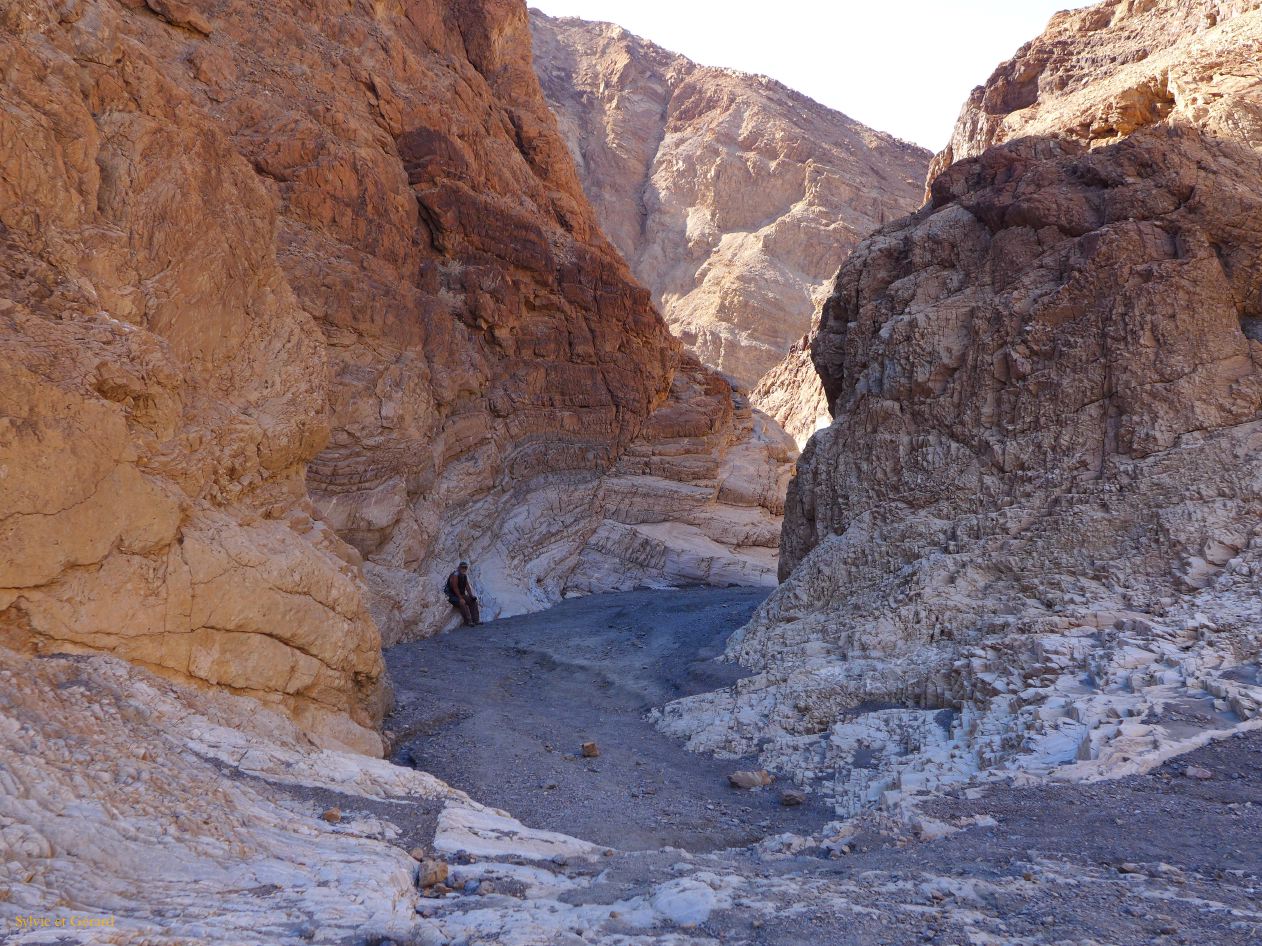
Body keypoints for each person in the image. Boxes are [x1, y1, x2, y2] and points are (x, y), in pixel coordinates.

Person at [444, 561, 480, 627]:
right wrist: (460, 598)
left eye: (465, 568)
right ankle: (468, 621)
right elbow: (455, 587)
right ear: (459, 568)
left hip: (460, 595)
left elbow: (467, 586)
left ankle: (476, 620)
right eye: (462, 567)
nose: (464, 569)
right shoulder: (455, 575)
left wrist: (471, 596)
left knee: (473, 601)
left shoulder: (464, 576)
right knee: (462, 602)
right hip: (452, 596)